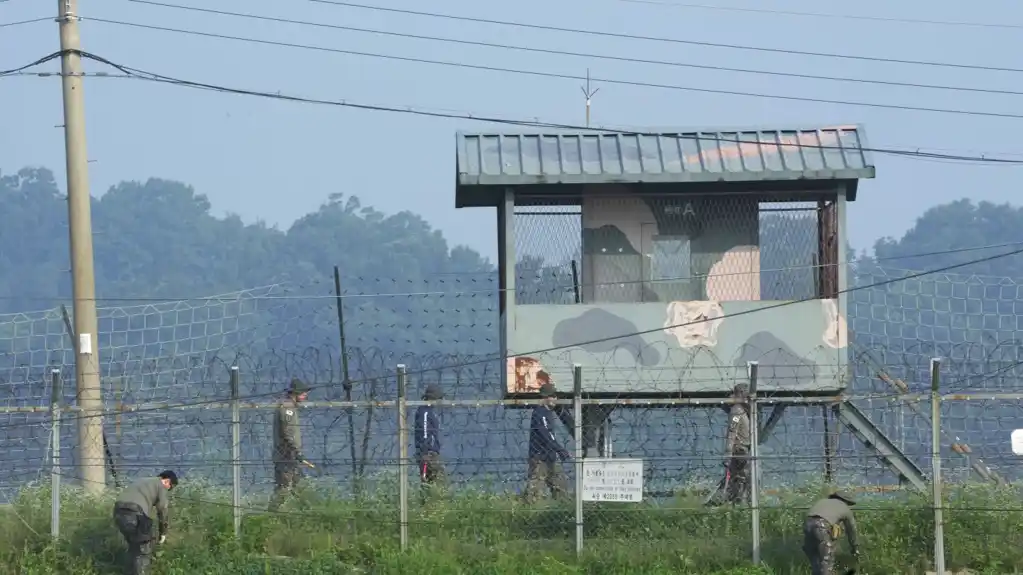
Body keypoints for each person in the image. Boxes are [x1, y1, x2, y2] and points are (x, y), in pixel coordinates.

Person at [112, 470, 178, 575]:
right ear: (167, 481)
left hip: (118, 511)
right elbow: (163, 511)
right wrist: (163, 533)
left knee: (134, 546)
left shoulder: (142, 481)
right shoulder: (160, 485)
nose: (168, 490)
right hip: (135, 512)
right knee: (145, 546)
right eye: (171, 487)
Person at [523, 382, 571, 503]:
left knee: (560, 486)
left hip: (550, 456)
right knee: (535, 489)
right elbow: (546, 435)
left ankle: (563, 509)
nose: (555, 399)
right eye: (552, 396)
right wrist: (560, 450)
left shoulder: (548, 413)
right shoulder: (540, 413)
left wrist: (556, 451)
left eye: (555, 396)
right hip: (539, 457)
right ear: (544, 397)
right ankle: (531, 510)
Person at [270, 377, 310, 511]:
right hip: (286, 455)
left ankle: (306, 512)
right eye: (303, 392)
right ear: (295, 393)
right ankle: (271, 514)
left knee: (298, 487)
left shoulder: (289, 406)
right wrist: (297, 451)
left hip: (289, 455)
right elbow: (288, 431)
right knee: (284, 488)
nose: (306, 395)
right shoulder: (288, 408)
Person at [804, 491, 861, 575]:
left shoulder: (822, 501)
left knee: (816, 562)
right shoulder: (844, 507)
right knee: (826, 561)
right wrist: (855, 547)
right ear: (845, 501)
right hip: (821, 526)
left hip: (807, 525)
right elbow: (851, 530)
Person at [723, 383, 752, 504]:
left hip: (744, 449)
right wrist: (728, 453)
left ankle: (741, 501)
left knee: (745, 479)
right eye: (745, 393)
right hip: (739, 450)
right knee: (741, 479)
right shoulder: (737, 411)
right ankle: (738, 502)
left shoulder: (743, 410)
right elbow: (732, 431)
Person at [415, 383, 445, 493]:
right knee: (435, 484)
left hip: (430, 453)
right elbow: (424, 432)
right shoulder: (425, 412)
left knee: (433, 484)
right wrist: (427, 451)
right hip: (429, 455)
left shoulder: (428, 411)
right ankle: (429, 506)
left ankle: (430, 506)